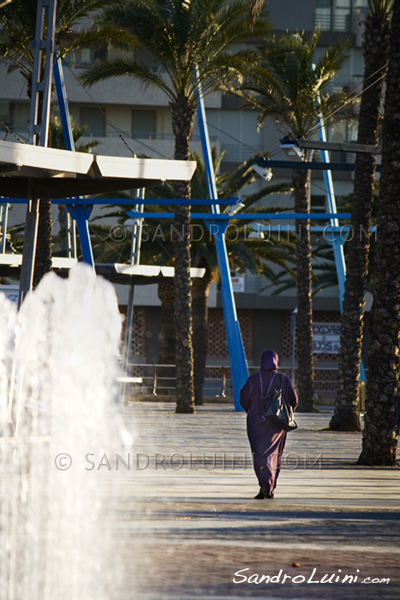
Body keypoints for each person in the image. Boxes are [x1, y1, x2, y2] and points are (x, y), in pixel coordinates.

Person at [240, 350, 298, 499]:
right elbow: (294, 400)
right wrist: (286, 413)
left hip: (255, 424)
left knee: (259, 454)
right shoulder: (283, 379)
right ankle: (270, 486)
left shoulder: (253, 379)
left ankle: (264, 484)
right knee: (274, 455)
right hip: (276, 426)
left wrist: (252, 411)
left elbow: (243, 398)